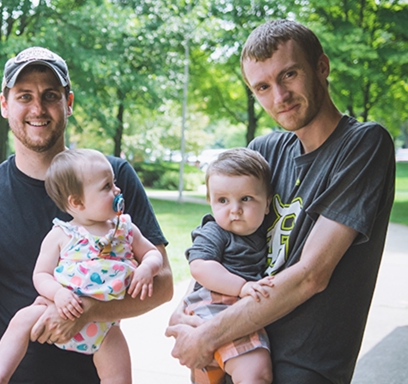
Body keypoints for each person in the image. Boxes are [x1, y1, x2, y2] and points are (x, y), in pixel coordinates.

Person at [166, 19, 395, 383]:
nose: (279, 96)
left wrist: (207, 335)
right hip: (238, 347)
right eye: (262, 86)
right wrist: (186, 315)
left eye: (289, 75)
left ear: (321, 67)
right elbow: (224, 238)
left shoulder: (363, 145)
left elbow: (311, 276)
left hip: (303, 365)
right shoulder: (265, 152)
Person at [0, 46, 173, 384]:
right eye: (24, 96)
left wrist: (90, 312)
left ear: (69, 102)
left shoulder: (113, 178)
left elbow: (164, 284)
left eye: (50, 95)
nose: (38, 108)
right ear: (5, 105)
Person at [0, 149, 164, 384]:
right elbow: (41, 275)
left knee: (119, 376)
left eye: (114, 183)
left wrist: (147, 268)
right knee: (21, 320)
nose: (117, 190)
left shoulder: (125, 228)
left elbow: (152, 253)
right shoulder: (62, 234)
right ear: (77, 202)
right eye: (107, 186)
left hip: (105, 326)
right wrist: (58, 294)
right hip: (59, 310)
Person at [183, 148, 275, 384]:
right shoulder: (215, 231)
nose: (234, 209)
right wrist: (241, 286)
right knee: (256, 373)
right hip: (214, 307)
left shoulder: (265, 231)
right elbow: (200, 267)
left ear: (267, 204)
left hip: (238, 310)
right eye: (222, 200)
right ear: (210, 202)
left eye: (246, 199)